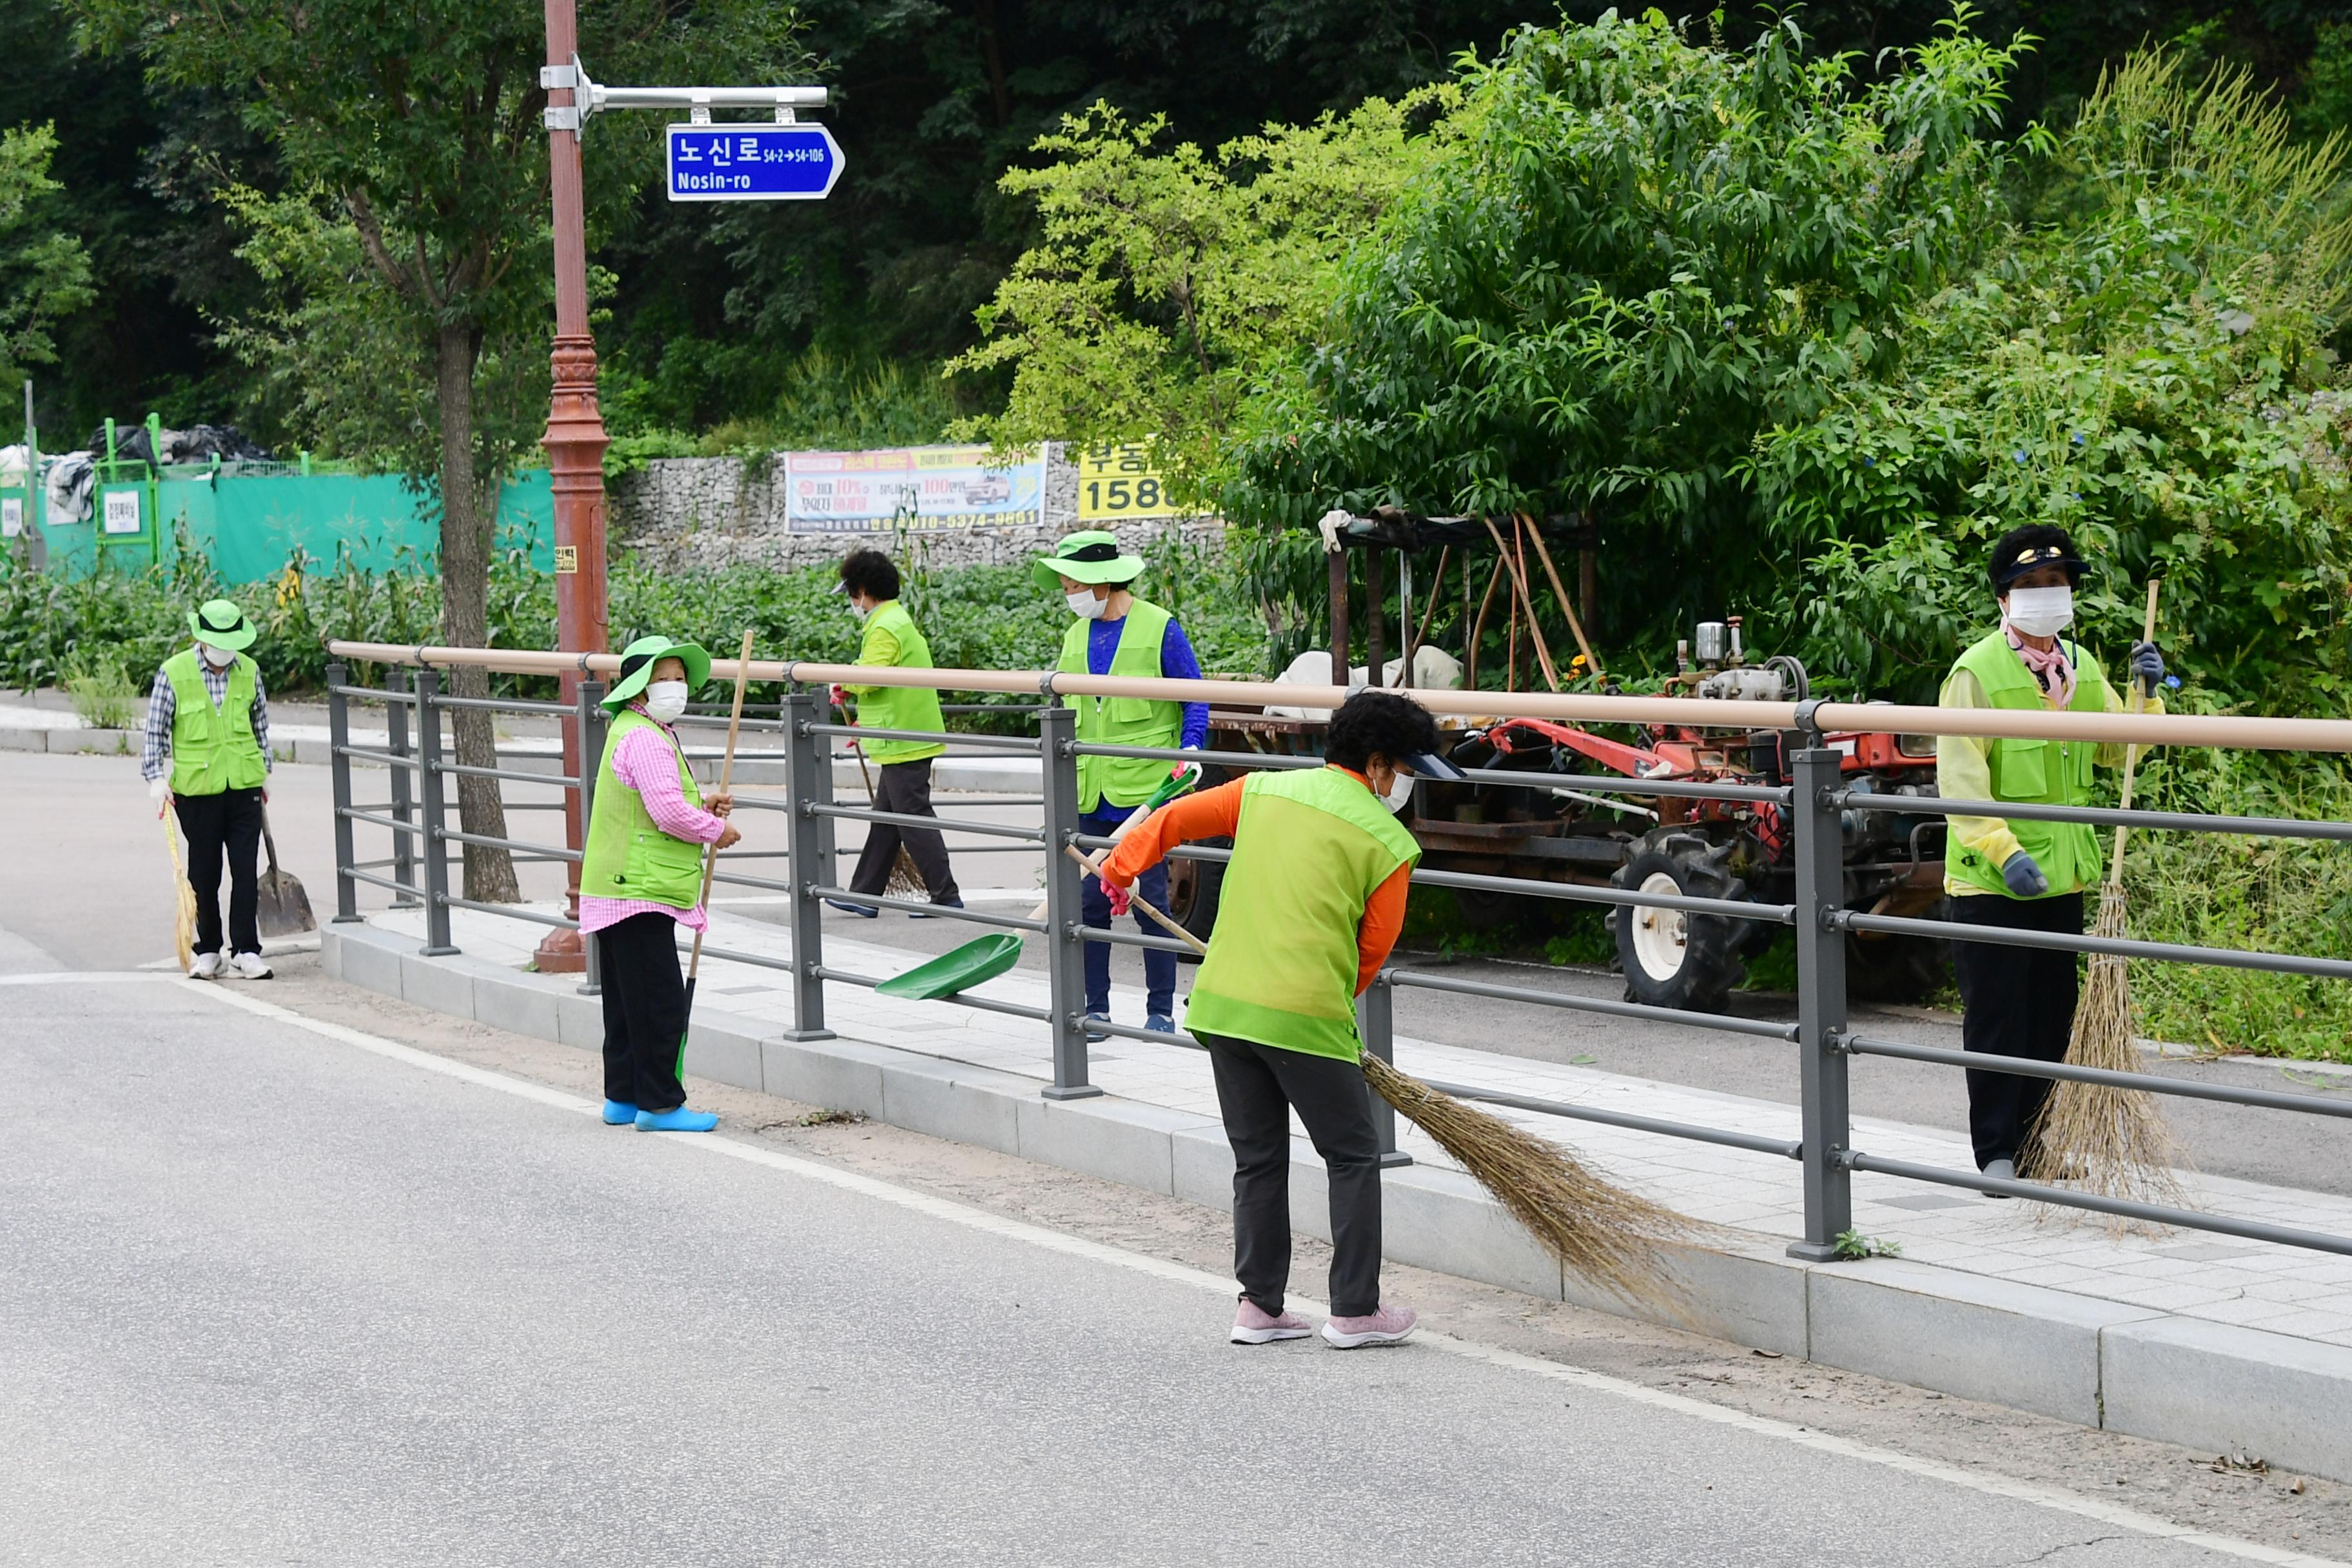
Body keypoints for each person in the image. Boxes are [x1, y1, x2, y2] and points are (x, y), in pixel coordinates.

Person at [1102, 690, 1459, 1348]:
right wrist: (1325, 1002)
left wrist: (1121, 869)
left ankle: (1259, 1307)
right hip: (1303, 1016)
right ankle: (1354, 1310)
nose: (1404, 785)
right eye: (1404, 771)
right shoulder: (1390, 842)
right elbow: (1369, 955)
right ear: (1378, 764)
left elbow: (1173, 819)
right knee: (1352, 1154)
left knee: (1259, 1159)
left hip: (1225, 1004)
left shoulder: (1261, 789)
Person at [1937, 524, 2165, 1189]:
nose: (2045, 594)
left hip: (2061, 880)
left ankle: (2040, 1146)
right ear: (2003, 598)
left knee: (2049, 1023)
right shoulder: (1976, 672)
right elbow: (1961, 781)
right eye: (2029, 585)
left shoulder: (2082, 667)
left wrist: (2148, 697)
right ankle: (1997, 1154)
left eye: (2056, 583)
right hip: (1994, 883)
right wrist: (2004, 852)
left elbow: (2118, 752)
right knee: (1997, 1020)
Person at [1034, 530, 1210, 1035]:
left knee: (1150, 903)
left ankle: (1160, 1011)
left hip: (1145, 790)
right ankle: (1097, 1009)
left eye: (1072, 583)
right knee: (1090, 905)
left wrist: (1191, 748)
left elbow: (1195, 695)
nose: (1068, 592)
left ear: (1103, 580)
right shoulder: (1075, 635)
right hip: (1090, 790)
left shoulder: (1160, 628)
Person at [579, 635, 741, 1133]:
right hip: (637, 887)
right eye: (662, 678)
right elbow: (667, 811)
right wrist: (715, 829)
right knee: (659, 999)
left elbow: (660, 799)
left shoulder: (633, 727)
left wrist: (702, 805)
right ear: (638, 686)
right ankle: (660, 1104)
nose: (674, 687)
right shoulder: (648, 738)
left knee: (628, 1000)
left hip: (617, 883)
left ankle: (623, 1097)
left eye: (678, 678)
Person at [826, 548, 963, 918]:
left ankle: (945, 894)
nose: (854, 603)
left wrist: (843, 681)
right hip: (901, 734)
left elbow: (870, 677)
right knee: (888, 819)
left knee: (912, 818)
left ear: (865, 590)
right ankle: (865, 895)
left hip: (903, 738)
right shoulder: (894, 621)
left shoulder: (884, 626)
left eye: (853, 595)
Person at [143, 598, 275, 980]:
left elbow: (260, 724)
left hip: (244, 786)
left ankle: (247, 950)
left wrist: (265, 771)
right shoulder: (175, 673)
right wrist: (155, 778)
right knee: (205, 873)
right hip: (196, 791)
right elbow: (156, 729)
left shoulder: (249, 671)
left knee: (245, 870)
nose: (223, 651)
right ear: (202, 638)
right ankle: (210, 950)